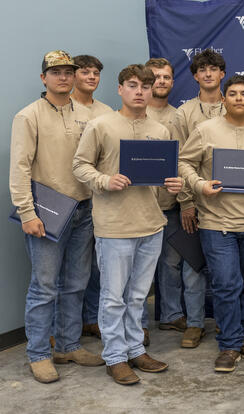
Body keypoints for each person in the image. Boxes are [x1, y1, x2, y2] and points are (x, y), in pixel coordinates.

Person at [73, 64, 183, 385]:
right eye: (132, 85)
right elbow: (80, 166)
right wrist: (105, 180)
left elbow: (160, 178)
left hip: (150, 224)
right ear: (120, 89)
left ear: (152, 92)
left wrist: (172, 185)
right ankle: (115, 356)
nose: (140, 92)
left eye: (145, 87)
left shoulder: (161, 131)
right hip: (114, 226)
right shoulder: (101, 125)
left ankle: (136, 349)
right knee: (112, 297)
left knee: (137, 296)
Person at [179, 75, 244, 373]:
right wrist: (199, 186)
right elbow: (183, 162)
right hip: (216, 222)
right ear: (223, 99)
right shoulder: (205, 130)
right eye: (233, 94)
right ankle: (229, 344)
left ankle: (241, 335)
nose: (239, 98)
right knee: (227, 285)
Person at [9, 50, 103, 384]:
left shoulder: (88, 114)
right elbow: (19, 168)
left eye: (68, 71)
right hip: (46, 214)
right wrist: (26, 212)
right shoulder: (28, 116)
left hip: (83, 209)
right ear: (43, 78)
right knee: (44, 287)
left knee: (76, 284)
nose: (63, 77)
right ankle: (38, 354)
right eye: (56, 72)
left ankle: (67, 345)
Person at [144, 57, 208, 348]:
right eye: (155, 76)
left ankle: (170, 314)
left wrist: (185, 201)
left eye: (166, 77)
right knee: (139, 268)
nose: (161, 81)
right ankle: (138, 324)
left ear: (173, 81)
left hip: (170, 202)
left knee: (171, 263)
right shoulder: (133, 111)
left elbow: (183, 161)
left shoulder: (178, 116)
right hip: (136, 204)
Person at [71, 54, 114, 341]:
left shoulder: (106, 111)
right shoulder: (62, 106)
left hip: (99, 199)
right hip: (66, 198)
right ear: (74, 76)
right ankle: (64, 329)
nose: (91, 77)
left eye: (95, 73)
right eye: (85, 72)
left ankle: (91, 319)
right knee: (69, 273)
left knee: (97, 267)